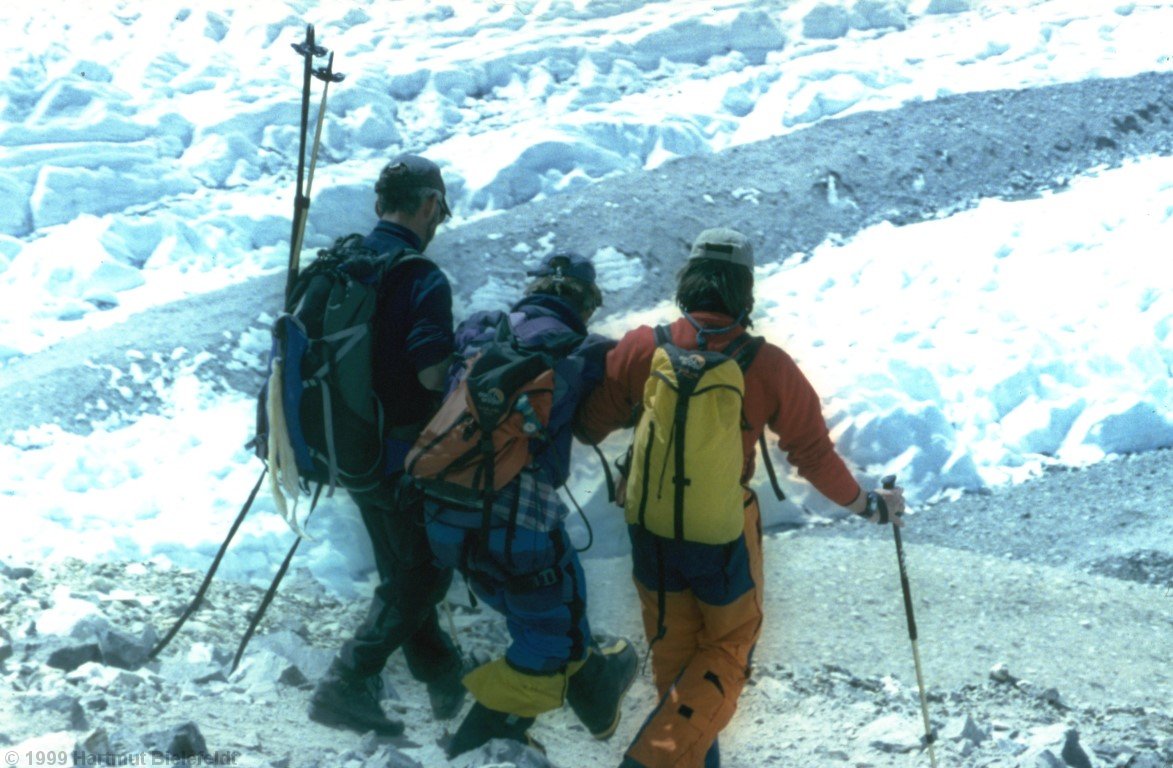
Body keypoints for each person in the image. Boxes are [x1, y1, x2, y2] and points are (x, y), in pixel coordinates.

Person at [573, 228, 907, 768]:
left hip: (651, 531)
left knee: (676, 666)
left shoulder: (643, 346)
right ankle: (650, 761)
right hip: (722, 535)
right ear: (744, 291)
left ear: (689, 281)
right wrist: (869, 506)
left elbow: (589, 425)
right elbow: (815, 457)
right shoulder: (768, 365)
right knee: (725, 655)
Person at [421, 252, 639, 758]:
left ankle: (593, 700)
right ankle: (475, 746)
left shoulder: (482, 331)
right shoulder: (582, 349)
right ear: (586, 303)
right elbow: (611, 411)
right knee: (550, 643)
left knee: (560, 610)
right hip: (518, 522)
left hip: (444, 511)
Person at [307, 154, 467, 736]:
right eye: (440, 211)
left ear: (380, 204)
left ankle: (446, 677)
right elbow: (430, 375)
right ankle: (345, 684)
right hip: (399, 454)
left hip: (344, 449)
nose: (439, 222)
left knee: (403, 568)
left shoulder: (342, 262)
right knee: (423, 574)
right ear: (427, 204)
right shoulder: (420, 276)